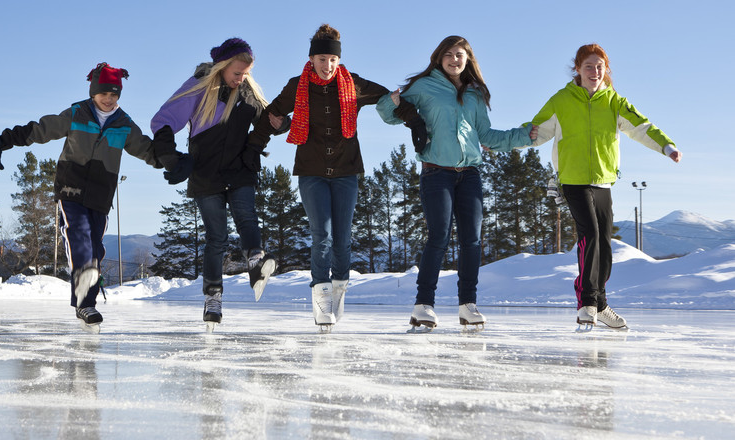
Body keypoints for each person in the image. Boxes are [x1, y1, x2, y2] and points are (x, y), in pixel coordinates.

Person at [246, 24, 422, 330]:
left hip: (346, 170)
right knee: (322, 236)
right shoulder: (296, 86)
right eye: (322, 59)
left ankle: (339, 289)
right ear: (312, 58)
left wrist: (415, 123)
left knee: (343, 239)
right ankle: (321, 297)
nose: (327, 66)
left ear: (338, 60)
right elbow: (270, 116)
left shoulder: (353, 83)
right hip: (311, 171)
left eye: (332, 60)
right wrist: (253, 148)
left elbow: (390, 100)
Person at [0, 62, 183, 332]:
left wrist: (176, 162)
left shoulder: (124, 124)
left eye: (114, 95)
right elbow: (40, 130)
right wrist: (3, 141)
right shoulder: (76, 114)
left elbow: (149, 152)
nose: (108, 99)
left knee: (96, 246)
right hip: (71, 187)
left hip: (101, 193)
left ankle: (85, 302)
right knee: (77, 232)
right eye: (104, 94)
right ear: (93, 92)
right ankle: (83, 291)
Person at [377, 35, 536, 332]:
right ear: (439, 57)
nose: (454, 59)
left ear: (468, 59)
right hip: (437, 172)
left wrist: (524, 135)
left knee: (472, 241)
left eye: (459, 54)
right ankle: (424, 304)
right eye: (448, 54)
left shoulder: (475, 94)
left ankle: (468, 305)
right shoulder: (425, 87)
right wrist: (391, 102)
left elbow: (487, 137)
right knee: (438, 236)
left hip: (471, 174)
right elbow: (391, 116)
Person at [528, 43, 682, 330]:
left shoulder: (613, 102)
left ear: (605, 70)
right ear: (577, 69)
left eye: (600, 67)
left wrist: (666, 146)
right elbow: (537, 130)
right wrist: (510, 140)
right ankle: (587, 303)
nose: (594, 71)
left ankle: (600, 303)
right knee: (591, 235)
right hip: (572, 180)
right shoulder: (561, 100)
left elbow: (641, 127)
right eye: (589, 66)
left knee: (605, 245)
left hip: (602, 181)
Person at [151, 38, 285, 329]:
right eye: (237, 73)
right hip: (206, 172)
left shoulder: (248, 91)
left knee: (247, 216)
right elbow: (164, 119)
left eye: (246, 73)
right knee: (217, 238)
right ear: (222, 67)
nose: (242, 78)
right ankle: (213, 297)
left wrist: (280, 123)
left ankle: (256, 262)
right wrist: (168, 155)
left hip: (240, 168)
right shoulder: (200, 85)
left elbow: (267, 118)